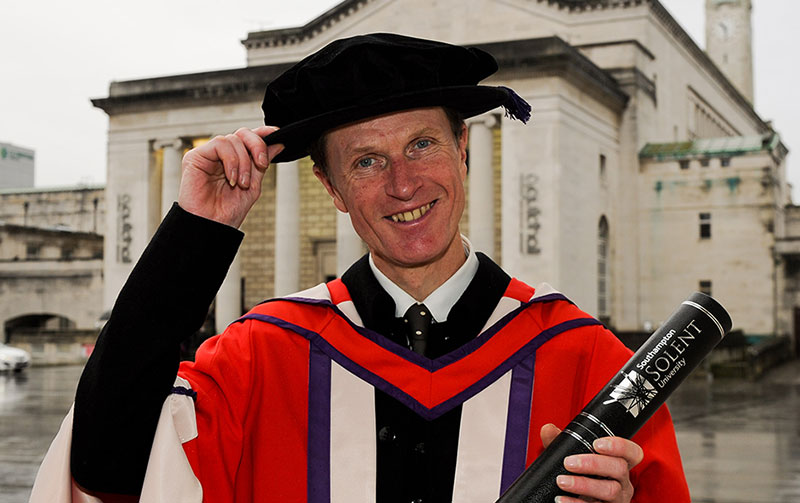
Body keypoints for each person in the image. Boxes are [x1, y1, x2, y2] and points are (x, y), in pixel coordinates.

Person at [33, 33, 690, 503]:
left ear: (464, 147)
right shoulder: (260, 358)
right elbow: (106, 464)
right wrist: (196, 231)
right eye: (366, 161)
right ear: (331, 186)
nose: (403, 184)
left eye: (422, 144)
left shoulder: (585, 359)